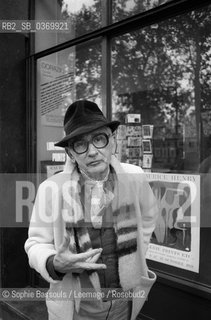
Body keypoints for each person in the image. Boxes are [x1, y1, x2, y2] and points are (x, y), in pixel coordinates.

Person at [25, 100, 158, 320]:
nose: (92, 151)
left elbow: (148, 219)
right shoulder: (51, 188)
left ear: (112, 141)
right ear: (70, 153)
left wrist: (135, 256)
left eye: (99, 139)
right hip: (78, 308)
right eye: (80, 144)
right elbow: (35, 244)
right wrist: (53, 263)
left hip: (124, 303)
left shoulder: (135, 176)